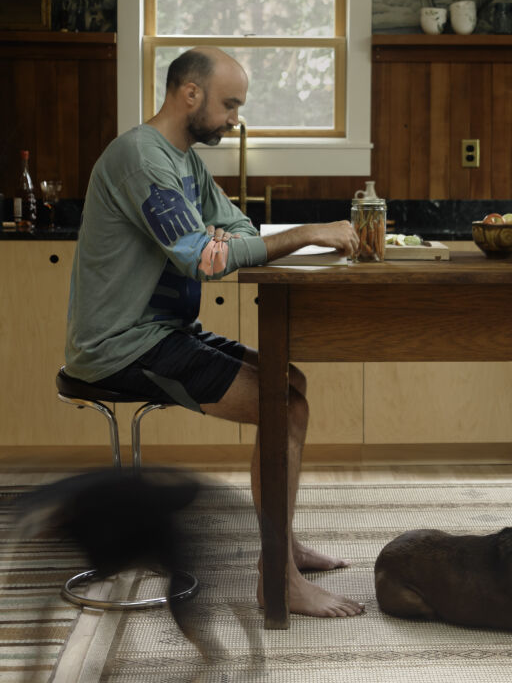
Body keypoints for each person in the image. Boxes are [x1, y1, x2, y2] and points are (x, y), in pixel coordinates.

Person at [65, 46, 364, 618]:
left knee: (288, 381)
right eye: (230, 105)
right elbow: (204, 257)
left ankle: (285, 547)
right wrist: (305, 233)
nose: (234, 119)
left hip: (164, 331)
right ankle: (276, 575)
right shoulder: (141, 158)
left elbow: (236, 229)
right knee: (282, 402)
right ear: (191, 93)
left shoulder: (184, 160)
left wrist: (223, 241)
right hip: (121, 346)